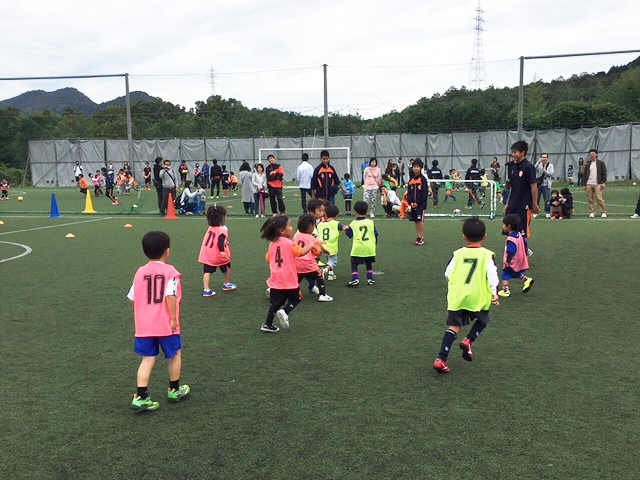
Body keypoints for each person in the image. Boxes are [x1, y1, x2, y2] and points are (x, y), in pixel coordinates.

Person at [127, 230, 190, 411]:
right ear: (167, 251)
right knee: (175, 354)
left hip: (144, 326)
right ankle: (175, 389)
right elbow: (170, 295)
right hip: (165, 324)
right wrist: (172, 318)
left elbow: (132, 298)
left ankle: (141, 396)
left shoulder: (140, 272)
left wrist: (143, 314)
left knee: (147, 359)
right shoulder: (170, 272)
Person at [432, 218, 499, 374]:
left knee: (454, 327)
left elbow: (447, 274)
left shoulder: (458, 254)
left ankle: (441, 359)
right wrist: (494, 293)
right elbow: (492, 275)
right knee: (483, 320)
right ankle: (468, 340)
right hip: (477, 297)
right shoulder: (487, 255)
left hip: (458, 297)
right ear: (485, 236)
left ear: (464, 236)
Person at [260, 215, 315, 332]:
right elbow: (301, 252)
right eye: (289, 226)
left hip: (275, 280)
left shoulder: (272, 244)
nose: (291, 228)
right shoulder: (289, 243)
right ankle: (285, 311)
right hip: (288, 279)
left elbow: (268, 259)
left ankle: (267, 324)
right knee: (297, 298)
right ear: (282, 230)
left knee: (276, 303)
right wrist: (311, 245)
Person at [504, 141, 538, 256]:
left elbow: (533, 186)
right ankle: (513, 251)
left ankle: (524, 251)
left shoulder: (529, 167)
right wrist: (507, 204)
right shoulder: (513, 167)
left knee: (520, 232)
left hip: (524, 205)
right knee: (509, 229)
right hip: (512, 204)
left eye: (515, 152)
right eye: (512, 152)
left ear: (523, 153)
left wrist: (534, 204)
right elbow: (512, 188)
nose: (513, 155)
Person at [198, 205, 237, 297]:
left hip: (207, 252)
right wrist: (222, 251)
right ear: (221, 218)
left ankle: (206, 289)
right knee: (227, 267)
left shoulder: (211, 228)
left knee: (207, 271)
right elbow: (220, 241)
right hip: (217, 253)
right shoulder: (222, 229)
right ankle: (226, 284)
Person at [293, 214, 333, 302]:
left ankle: (293, 294)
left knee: (297, 280)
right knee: (319, 276)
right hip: (308, 264)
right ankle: (322, 294)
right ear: (311, 226)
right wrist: (322, 251)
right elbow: (317, 251)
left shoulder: (296, 236)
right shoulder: (311, 238)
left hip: (297, 264)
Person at [498, 214, 534, 297]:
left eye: (504, 225)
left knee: (505, 273)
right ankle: (526, 280)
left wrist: (508, 261)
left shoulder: (511, 239)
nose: (502, 226)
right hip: (520, 258)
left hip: (513, 260)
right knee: (515, 271)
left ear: (509, 226)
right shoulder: (519, 234)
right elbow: (525, 243)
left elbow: (511, 251)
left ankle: (505, 290)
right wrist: (525, 253)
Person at [344, 200, 378, 287]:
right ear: (366, 211)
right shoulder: (370, 222)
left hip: (358, 248)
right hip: (370, 248)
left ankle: (355, 278)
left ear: (355, 211)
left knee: (354, 263)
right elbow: (376, 234)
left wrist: (346, 229)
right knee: (368, 263)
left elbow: (349, 235)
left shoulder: (353, 223)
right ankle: (370, 278)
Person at [318, 204, 346, 281]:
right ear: (336, 215)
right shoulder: (336, 223)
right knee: (333, 262)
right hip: (331, 246)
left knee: (329, 259)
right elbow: (343, 228)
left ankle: (331, 274)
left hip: (322, 246)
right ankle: (324, 271)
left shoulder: (320, 225)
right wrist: (346, 228)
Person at [406, 158, 428, 246]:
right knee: (416, 220)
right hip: (413, 205)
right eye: (414, 167)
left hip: (420, 205)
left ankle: (421, 237)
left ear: (421, 168)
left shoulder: (423, 179)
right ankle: (418, 236)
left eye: (417, 167)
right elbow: (409, 193)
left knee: (420, 220)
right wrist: (410, 202)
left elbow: (424, 193)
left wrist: (419, 203)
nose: (415, 168)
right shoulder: (411, 180)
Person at [583, 149, 607, 218]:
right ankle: (592, 211)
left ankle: (603, 212)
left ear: (596, 154)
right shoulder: (588, 164)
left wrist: (603, 182)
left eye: (593, 154)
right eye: (590, 154)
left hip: (598, 183)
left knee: (599, 198)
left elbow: (604, 173)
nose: (591, 155)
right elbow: (585, 175)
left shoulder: (601, 163)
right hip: (589, 183)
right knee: (590, 199)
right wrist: (584, 184)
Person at [534, 153, 554, 218]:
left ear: (547, 158)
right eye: (542, 157)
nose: (544, 159)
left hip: (546, 184)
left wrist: (545, 171)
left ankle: (547, 212)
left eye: (545, 157)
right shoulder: (539, 165)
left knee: (547, 199)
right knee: (536, 199)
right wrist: (538, 162)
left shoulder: (550, 165)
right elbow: (533, 169)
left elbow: (551, 174)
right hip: (539, 185)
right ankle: (536, 212)